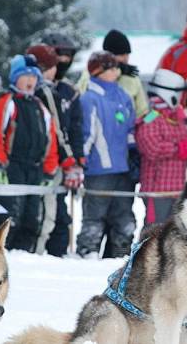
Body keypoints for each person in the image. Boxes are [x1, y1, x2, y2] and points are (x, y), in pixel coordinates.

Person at [0, 54, 59, 252]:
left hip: (35, 171)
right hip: (11, 169)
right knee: (6, 220)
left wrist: (49, 171)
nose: (30, 81)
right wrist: (0, 165)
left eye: (34, 77)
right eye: (25, 76)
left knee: (31, 222)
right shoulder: (5, 102)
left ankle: (24, 259)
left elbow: (51, 142)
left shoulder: (41, 108)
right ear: (15, 78)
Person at [77, 51, 136, 258]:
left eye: (116, 67)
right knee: (94, 215)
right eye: (110, 68)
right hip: (99, 169)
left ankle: (120, 256)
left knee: (124, 217)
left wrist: (134, 155)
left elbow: (130, 129)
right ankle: (88, 253)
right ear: (97, 72)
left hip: (124, 168)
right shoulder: (89, 98)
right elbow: (87, 134)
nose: (115, 71)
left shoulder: (124, 96)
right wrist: (79, 162)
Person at [26, 44, 84, 256]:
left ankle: (47, 255)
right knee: (45, 215)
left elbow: (66, 130)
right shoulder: (44, 92)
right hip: (46, 163)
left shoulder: (59, 91)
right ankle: (36, 254)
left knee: (53, 214)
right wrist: (70, 160)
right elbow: (58, 131)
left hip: (50, 162)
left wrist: (73, 160)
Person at [40, 32, 85, 257]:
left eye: (69, 56)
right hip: (40, 160)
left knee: (59, 214)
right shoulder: (36, 88)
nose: (64, 61)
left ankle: (56, 256)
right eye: (59, 56)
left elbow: (76, 128)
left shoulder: (70, 92)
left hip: (63, 162)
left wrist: (77, 161)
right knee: (40, 213)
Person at [136, 69, 187, 226]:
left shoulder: (177, 117)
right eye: (178, 93)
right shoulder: (152, 115)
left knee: (176, 232)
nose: (180, 98)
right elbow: (151, 147)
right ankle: (144, 251)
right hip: (158, 189)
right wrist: (180, 149)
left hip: (178, 187)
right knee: (155, 230)